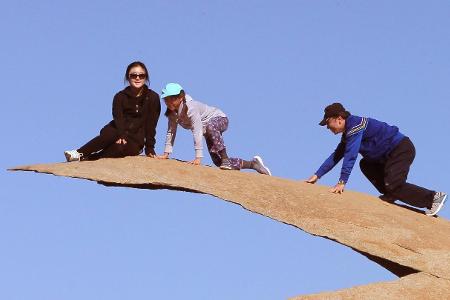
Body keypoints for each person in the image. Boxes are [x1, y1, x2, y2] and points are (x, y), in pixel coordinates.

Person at [306, 102, 447, 216]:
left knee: (394, 184)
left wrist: (342, 181)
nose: (327, 127)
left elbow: (351, 154)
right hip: (386, 156)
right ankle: (390, 193)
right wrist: (317, 175)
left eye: (328, 122)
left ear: (339, 119)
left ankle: (434, 198)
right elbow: (336, 156)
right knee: (366, 164)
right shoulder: (348, 133)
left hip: (400, 149)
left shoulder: (355, 125)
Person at [157, 83, 271, 175]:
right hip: (207, 131)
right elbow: (171, 132)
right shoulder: (172, 114)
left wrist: (198, 157)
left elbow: (197, 131)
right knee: (218, 162)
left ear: (181, 97)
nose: (168, 102)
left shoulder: (191, 108)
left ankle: (225, 158)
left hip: (219, 118)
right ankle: (253, 164)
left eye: (171, 98)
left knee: (211, 128)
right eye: (166, 99)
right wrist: (166, 153)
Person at [64, 61, 161, 161]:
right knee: (110, 135)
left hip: (136, 139)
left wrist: (149, 148)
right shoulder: (120, 97)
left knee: (121, 148)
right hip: (116, 131)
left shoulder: (153, 97)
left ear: (146, 77)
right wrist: (121, 135)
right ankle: (79, 153)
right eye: (133, 75)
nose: (137, 78)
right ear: (128, 77)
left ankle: (90, 158)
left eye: (141, 75)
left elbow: (151, 125)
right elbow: (118, 118)